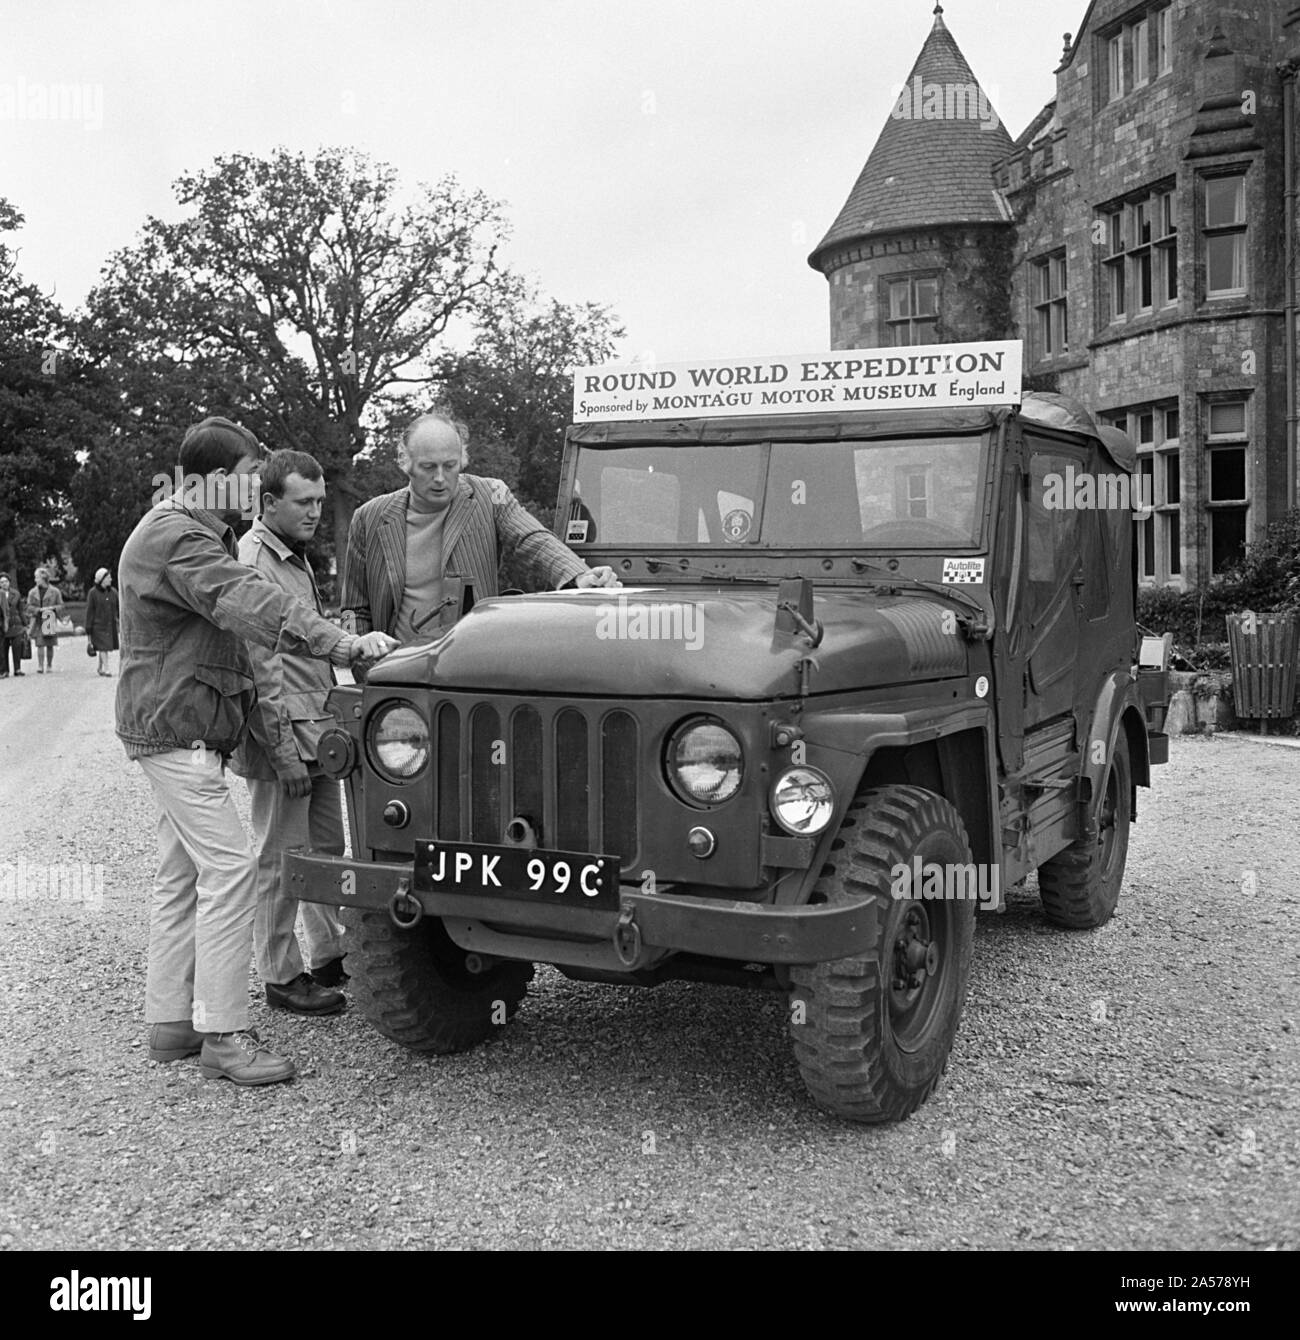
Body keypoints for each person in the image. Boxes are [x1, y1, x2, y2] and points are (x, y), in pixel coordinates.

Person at [116, 416, 398, 1087]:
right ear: (213, 478)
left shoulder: (183, 530)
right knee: (232, 870)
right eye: (246, 479)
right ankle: (224, 1034)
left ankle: (170, 1023)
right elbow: (251, 602)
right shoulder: (180, 536)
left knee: (181, 876)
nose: (253, 493)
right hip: (177, 732)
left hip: (177, 729)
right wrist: (341, 644)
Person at [340, 410, 619, 653]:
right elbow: (353, 609)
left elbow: (532, 538)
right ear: (405, 463)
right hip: (395, 671)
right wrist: (359, 654)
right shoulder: (369, 518)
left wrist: (577, 574)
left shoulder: (490, 495)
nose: (440, 478)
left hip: (469, 667)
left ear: (462, 460)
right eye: (428, 467)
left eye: (449, 466)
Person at [230, 450, 349, 1017]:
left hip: (318, 730)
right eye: (304, 502)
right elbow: (260, 667)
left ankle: (329, 952)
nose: (315, 513)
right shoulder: (255, 557)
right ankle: (280, 975)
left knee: (327, 849)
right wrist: (281, 754)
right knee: (280, 857)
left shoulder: (291, 556)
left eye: (321, 501)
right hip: (287, 742)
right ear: (270, 502)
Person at [26, 567, 65, 674]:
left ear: (43, 578)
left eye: (37, 577)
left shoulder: (55, 591)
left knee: (50, 643)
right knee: (39, 643)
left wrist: (52, 608)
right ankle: (40, 665)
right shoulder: (32, 592)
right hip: (38, 620)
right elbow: (28, 607)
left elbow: (61, 605)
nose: (35, 580)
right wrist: (38, 610)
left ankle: (49, 665)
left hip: (49, 619)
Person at [85, 567, 120, 677]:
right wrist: (88, 627)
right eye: (108, 577)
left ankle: (100, 667)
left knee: (103, 647)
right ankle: (107, 668)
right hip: (98, 625)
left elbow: (119, 607)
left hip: (110, 624)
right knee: (103, 647)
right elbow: (90, 611)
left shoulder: (113, 592)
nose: (111, 579)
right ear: (102, 579)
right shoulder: (93, 593)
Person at [0, 574, 25, 676]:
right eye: (1, 582)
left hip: (16, 623)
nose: (4, 583)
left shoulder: (16, 593)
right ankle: (5, 670)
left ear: (9, 582)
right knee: (3, 648)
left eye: (5, 581)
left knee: (17, 646)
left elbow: (21, 610)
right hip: (3, 624)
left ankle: (17, 669)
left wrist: (25, 623)